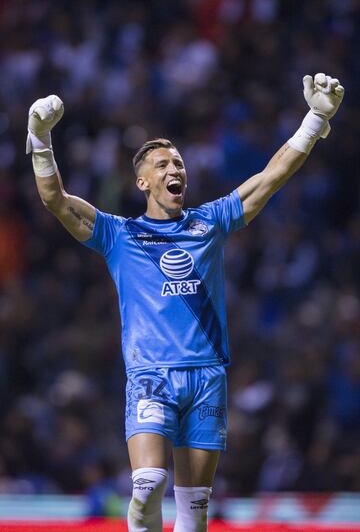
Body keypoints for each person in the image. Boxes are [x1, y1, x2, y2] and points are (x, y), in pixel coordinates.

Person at [26, 73, 344, 531]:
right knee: (148, 483)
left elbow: (271, 177)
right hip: (151, 373)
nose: (175, 170)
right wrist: (40, 138)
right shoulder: (120, 234)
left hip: (207, 376)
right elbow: (55, 200)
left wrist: (315, 119)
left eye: (178, 163)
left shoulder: (210, 222)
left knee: (194, 513)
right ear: (142, 181)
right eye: (162, 164)